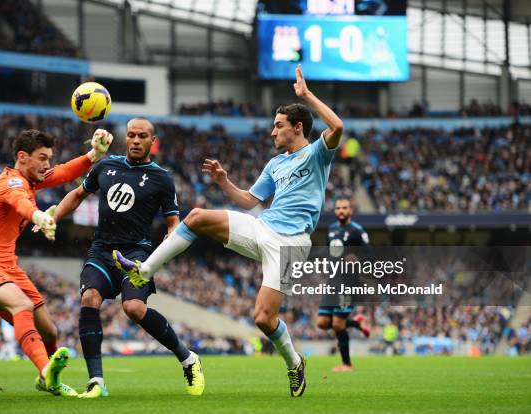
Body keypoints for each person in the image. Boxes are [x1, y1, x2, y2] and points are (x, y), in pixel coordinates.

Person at [114, 65, 343, 397]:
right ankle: (144, 270)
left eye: (278, 126)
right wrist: (224, 182)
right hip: (263, 227)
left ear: (297, 127)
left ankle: (294, 363)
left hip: (291, 244)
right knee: (196, 217)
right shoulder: (275, 164)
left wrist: (306, 95)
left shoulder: (317, 153)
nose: (272, 132)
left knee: (264, 319)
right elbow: (249, 201)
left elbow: (337, 126)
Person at [49, 118, 204, 398]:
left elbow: (173, 223)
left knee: (133, 308)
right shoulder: (106, 166)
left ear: (152, 142)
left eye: (141, 136)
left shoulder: (162, 178)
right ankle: (96, 381)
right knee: (89, 299)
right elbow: (77, 194)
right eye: (131, 135)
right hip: (102, 249)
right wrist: (53, 217)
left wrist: (167, 244)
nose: (135, 140)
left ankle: (188, 358)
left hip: (136, 254)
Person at [0, 128, 113, 396]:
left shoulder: (28, 180)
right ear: (23, 157)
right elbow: (19, 203)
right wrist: (39, 217)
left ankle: (50, 378)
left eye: (49, 158)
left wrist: (94, 154)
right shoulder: (11, 183)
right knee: (22, 305)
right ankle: (46, 374)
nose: (47, 164)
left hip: (8, 266)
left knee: (49, 331)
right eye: (42, 158)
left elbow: (64, 172)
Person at [317, 197, 371, 372]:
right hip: (332, 281)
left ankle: (347, 364)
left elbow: (371, 256)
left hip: (348, 283)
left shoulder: (358, 231)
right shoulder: (331, 229)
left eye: (344, 208)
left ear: (350, 210)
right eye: (338, 208)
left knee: (338, 324)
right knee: (322, 323)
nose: (341, 210)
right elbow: (327, 252)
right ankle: (357, 324)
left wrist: (358, 259)